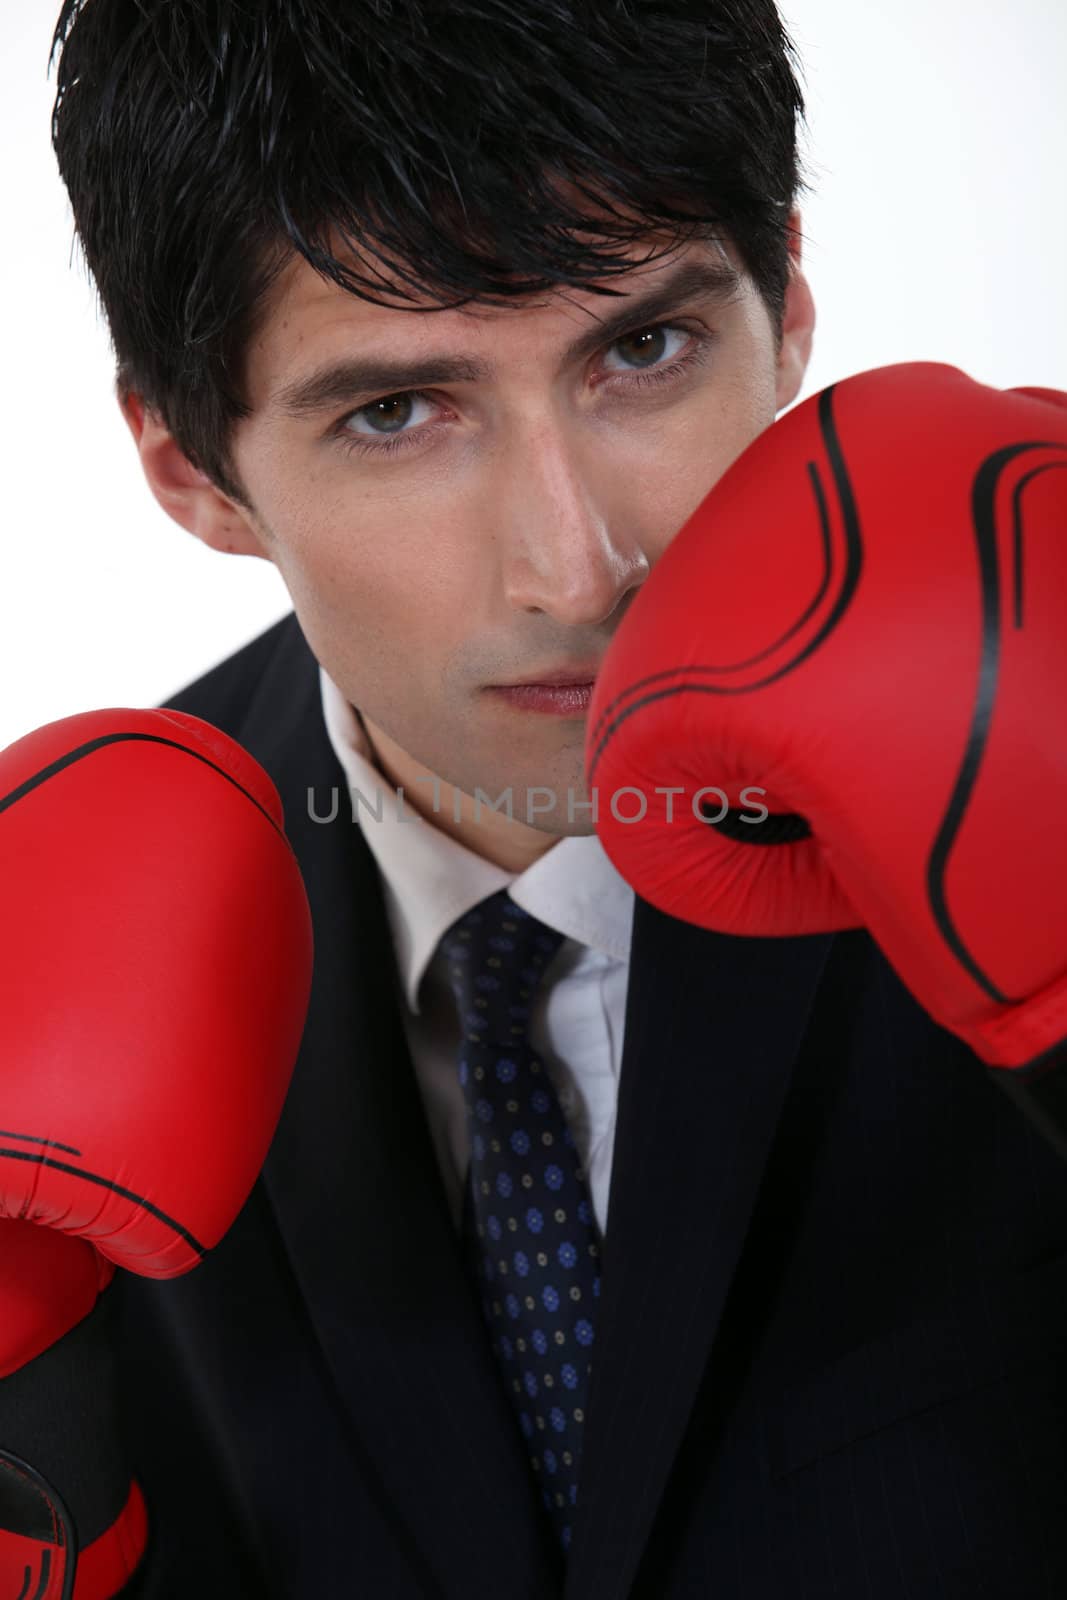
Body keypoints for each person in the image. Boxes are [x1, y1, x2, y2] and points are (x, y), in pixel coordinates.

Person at [44, 1, 1067, 1595]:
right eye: (396, 412)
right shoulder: (37, 976)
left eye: (642, 349)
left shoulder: (1037, 754)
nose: (577, 567)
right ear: (189, 465)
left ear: (787, 308)